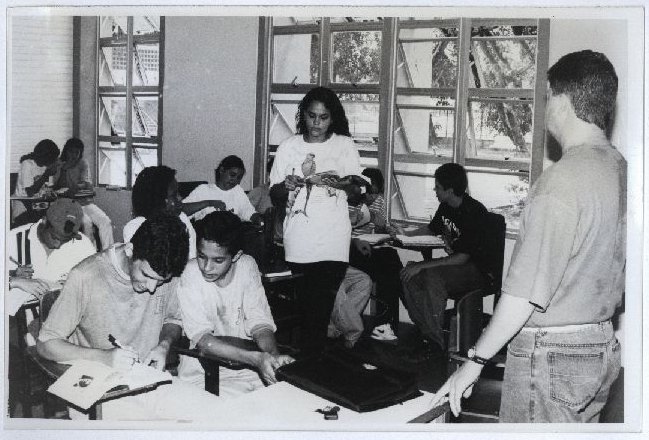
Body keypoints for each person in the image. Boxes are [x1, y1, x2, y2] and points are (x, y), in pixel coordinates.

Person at [431, 50, 625, 423]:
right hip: (599, 346)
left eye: (548, 97)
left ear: (562, 102)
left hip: (552, 356)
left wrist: (474, 361)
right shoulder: (621, 169)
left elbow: (523, 296)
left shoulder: (562, 181)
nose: (546, 107)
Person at [36, 213, 224, 421]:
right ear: (130, 250)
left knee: (218, 416)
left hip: (151, 381)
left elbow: (173, 318)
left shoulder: (165, 266)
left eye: (161, 281)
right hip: (100, 394)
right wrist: (104, 357)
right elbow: (46, 344)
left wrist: (164, 345)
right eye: (146, 275)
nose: (152, 288)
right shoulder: (85, 275)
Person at [269, 86, 363, 354]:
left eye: (323, 117)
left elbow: (357, 192)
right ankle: (311, 363)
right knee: (306, 308)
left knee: (321, 309)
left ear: (333, 118)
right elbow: (274, 194)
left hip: (333, 239)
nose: (317, 124)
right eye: (312, 116)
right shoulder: (289, 146)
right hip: (299, 238)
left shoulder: (344, 145)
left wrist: (342, 183)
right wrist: (286, 185)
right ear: (304, 115)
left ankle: (312, 363)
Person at [175, 211, 294, 398]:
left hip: (250, 371)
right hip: (204, 375)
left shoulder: (247, 265)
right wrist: (256, 359)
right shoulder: (190, 273)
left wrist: (274, 359)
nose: (206, 267)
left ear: (236, 255)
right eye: (201, 256)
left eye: (218, 260)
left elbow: (259, 323)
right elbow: (204, 341)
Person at [397, 163, 490, 359]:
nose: (435, 190)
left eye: (438, 187)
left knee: (431, 276)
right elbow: (431, 229)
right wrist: (405, 233)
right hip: (457, 266)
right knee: (408, 273)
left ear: (450, 190)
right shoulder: (446, 206)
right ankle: (427, 333)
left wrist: (421, 265)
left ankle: (435, 343)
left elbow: (462, 258)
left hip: (477, 271)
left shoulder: (474, 212)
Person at [7, 199, 96, 334]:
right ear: (44, 221)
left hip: (64, 319)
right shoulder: (13, 239)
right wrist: (13, 278)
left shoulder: (82, 244)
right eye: (54, 237)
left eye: (65, 240)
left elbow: (96, 282)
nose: (57, 245)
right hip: (16, 321)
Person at [348, 168, 404, 342]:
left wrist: (388, 228)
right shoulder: (350, 200)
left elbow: (380, 226)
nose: (373, 198)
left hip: (370, 247)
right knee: (390, 264)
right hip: (350, 248)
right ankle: (385, 323)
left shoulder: (379, 200)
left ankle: (386, 323)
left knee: (391, 259)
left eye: (376, 193)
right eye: (369, 193)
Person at [123, 165, 197, 259]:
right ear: (158, 200)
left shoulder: (182, 218)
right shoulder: (135, 228)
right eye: (174, 195)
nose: (180, 198)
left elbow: (192, 258)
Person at [53, 138, 114, 250]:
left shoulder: (82, 163)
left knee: (105, 221)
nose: (74, 155)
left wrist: (75, 188)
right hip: (68, 206)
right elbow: (56, 186)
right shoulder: (59, 164)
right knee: (86, 223)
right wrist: (64, 170)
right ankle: (90, 253)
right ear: (66, 151)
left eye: (77, 152)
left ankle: (108, 253)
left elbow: (85, 183)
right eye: (71, 152)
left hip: (85, 202)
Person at [182, 155, 262, 226]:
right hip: (207, 235)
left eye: (239, 178)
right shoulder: (203, 189)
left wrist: (258, 219)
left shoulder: (237, 190)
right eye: (232, 175)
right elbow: (181, 211)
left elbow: (248, 212)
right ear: (222, 170)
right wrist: (209, 203)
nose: (235, 180)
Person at [11, 139, 60, 225]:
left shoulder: (45, 166)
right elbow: (30, 192)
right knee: (45, 223)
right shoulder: (27, 164)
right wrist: (46, 174)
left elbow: (49, 189)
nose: (52, 161)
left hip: (37, 206)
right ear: (44, 157)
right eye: (52, 159)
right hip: (23, 208)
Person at [327, 266, 373, 349]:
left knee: (364, 280)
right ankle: (353, 335)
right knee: (335, 282)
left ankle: (338, 328)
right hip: (313, 266)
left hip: (334, 264)